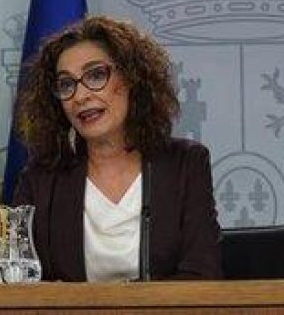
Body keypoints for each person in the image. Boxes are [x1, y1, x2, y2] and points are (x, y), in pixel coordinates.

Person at [12, 15, 222, 281]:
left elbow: (202, 274)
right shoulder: (41, 178)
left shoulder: (184, 165)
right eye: (66, 84)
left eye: (96, 75)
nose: (80, 96)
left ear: (131, 78)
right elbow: (20, 281)